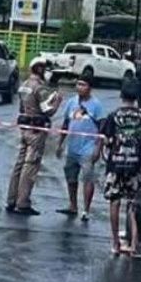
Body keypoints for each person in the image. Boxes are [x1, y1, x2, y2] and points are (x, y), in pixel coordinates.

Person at [98, 81, 141, 256]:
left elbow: (106, 139)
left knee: (114, 201)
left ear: (121, 96)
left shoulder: (114, 115)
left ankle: (115, 243)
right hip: (135, 166)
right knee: (133, 205)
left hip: (115, 165)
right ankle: (134, 245)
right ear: (137, 98)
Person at [6, 60, 61, 215]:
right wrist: (57, 102)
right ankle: (22, 202)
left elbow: (22, 108)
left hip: (24, 128)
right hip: (36, 131)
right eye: (45, 68)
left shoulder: (24, 85)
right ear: (39, 69)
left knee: (19, 163)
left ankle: (11, 199)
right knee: (30, 166)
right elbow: (47, 110)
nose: (47, 71)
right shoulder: (39, 87)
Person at [56, 77, 105, 221]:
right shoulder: (72, 102)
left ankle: (86, 210)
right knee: (71, 177)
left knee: (88, 178)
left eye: (83, 84)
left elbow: (102, 127)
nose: (79, 87)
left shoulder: (96, 105)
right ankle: (73, 205)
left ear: (90, 87)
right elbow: (66, 123)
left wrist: (98, 147)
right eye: (78, 84)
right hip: (72, 147)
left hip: (88, 148)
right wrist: (60, 143)